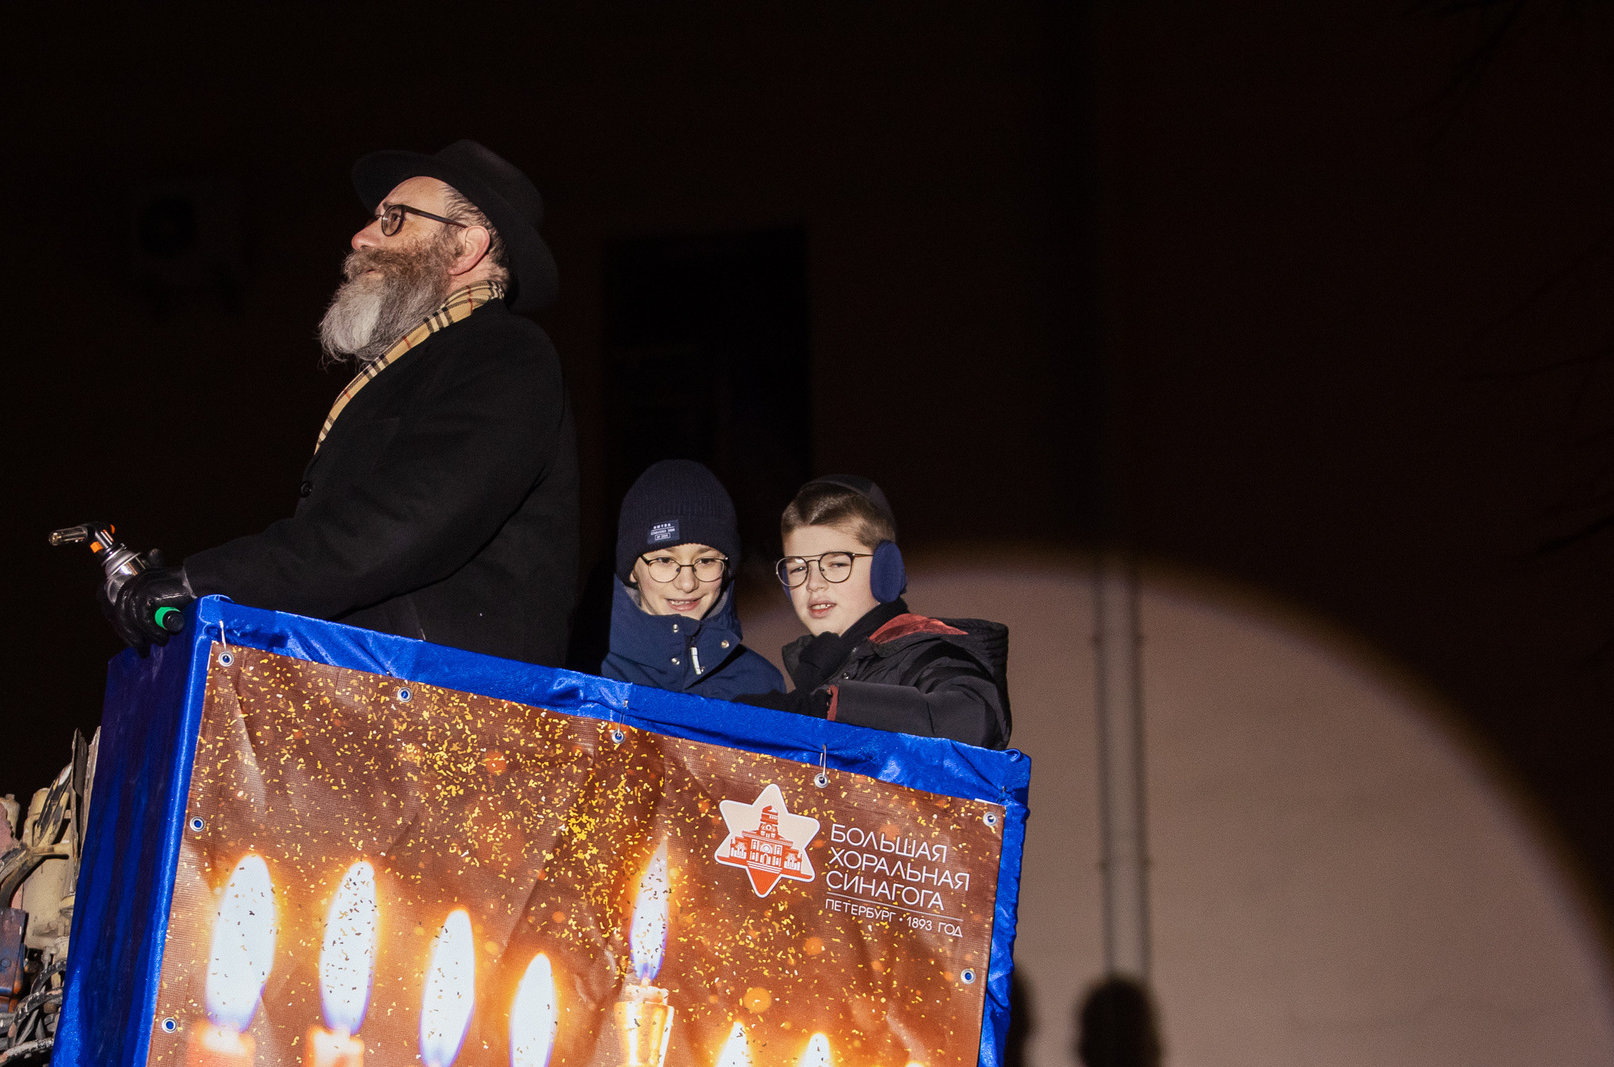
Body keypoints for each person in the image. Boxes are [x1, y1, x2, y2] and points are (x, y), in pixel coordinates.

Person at [106, 141, 580, 665]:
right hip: (378, 684)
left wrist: (204, 581)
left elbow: (401, 524)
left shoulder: (505, 351)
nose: (360, 237)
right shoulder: (426, 361)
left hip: (442, 699)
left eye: (393, 219)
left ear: (465, 247)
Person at [741, 477, 1010, 747]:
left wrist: (826, 708)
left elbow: (975, 720)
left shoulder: (929, 658)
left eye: (836, 564)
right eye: (798, 568)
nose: (813, 584)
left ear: (885, 569)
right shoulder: (818, 671)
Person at [599, 459, 784, 699]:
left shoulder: (760, 683)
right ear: (632, 570)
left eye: (705, 561)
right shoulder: (586, 673)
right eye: (665, 560)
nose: (687, 584)